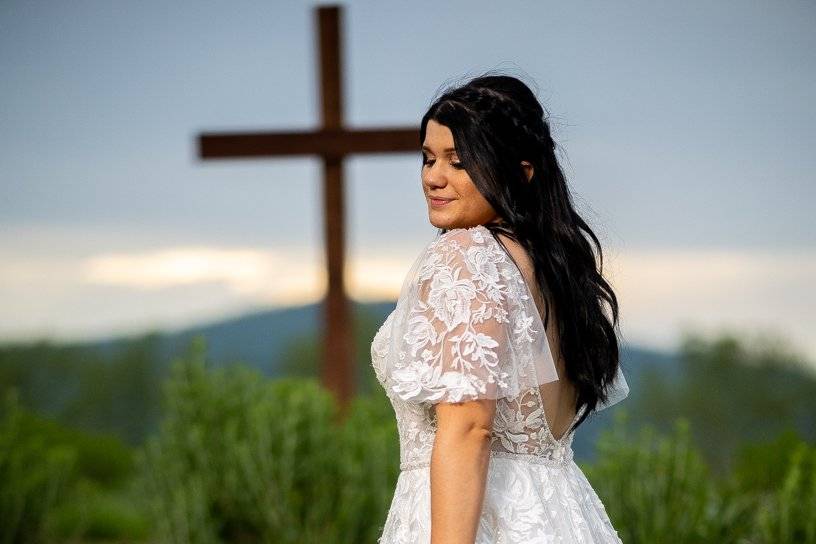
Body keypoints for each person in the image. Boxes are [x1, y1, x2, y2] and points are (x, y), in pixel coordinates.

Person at [370, 73, 630, 544]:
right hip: (563, 516)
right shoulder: (554, 271)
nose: (434, 177)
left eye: (460, 161)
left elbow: (469, 426)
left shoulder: (467, 255)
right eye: (429, 158)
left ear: (522, 171)